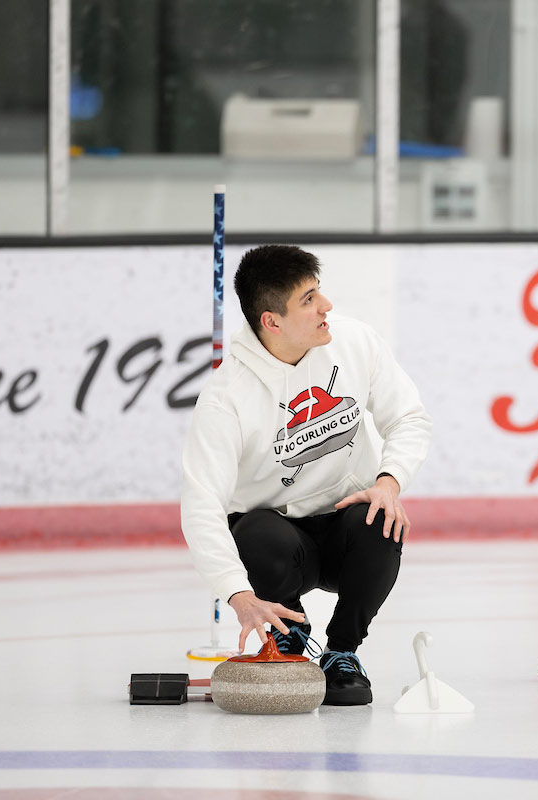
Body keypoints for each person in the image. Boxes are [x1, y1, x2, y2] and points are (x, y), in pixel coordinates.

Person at [180, 244, 433, 706]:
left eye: (320, 292)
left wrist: (389, 481)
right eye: (308, 299)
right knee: (256, 532)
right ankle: (289, 635)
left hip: (343, 526)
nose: (326, 307)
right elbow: (201, 505)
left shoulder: (355, 342)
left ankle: (342, 652)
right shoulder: (226, 397)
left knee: (382, 519)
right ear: (271, 322)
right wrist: (237, 595)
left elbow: (409, 418)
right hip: (275, 541)